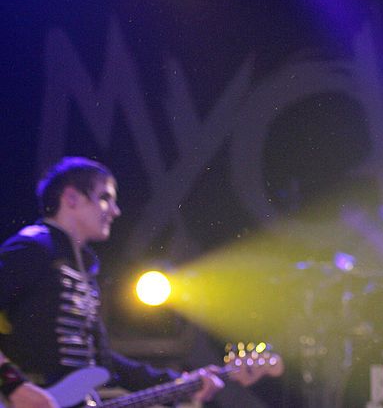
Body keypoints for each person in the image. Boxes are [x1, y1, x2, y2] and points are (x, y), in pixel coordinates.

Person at [0, 157, 224, 408]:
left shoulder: (85, 266)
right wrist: (13, 385)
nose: (115, 211)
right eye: (104, 198)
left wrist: (179, 383)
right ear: (71, 198)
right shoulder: (32, 248)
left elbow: (105, 363)